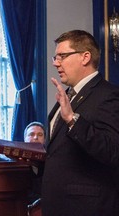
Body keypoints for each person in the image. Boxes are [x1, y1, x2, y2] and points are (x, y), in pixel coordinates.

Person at [42, 30, 119, 216]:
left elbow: (112, 151)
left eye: (62, 56)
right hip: (57, 204)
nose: (55, 63)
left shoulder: (109, 95)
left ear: (85, 57)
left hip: (86, 207)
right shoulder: (68, 94)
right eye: (55, 56)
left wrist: (72, 120)